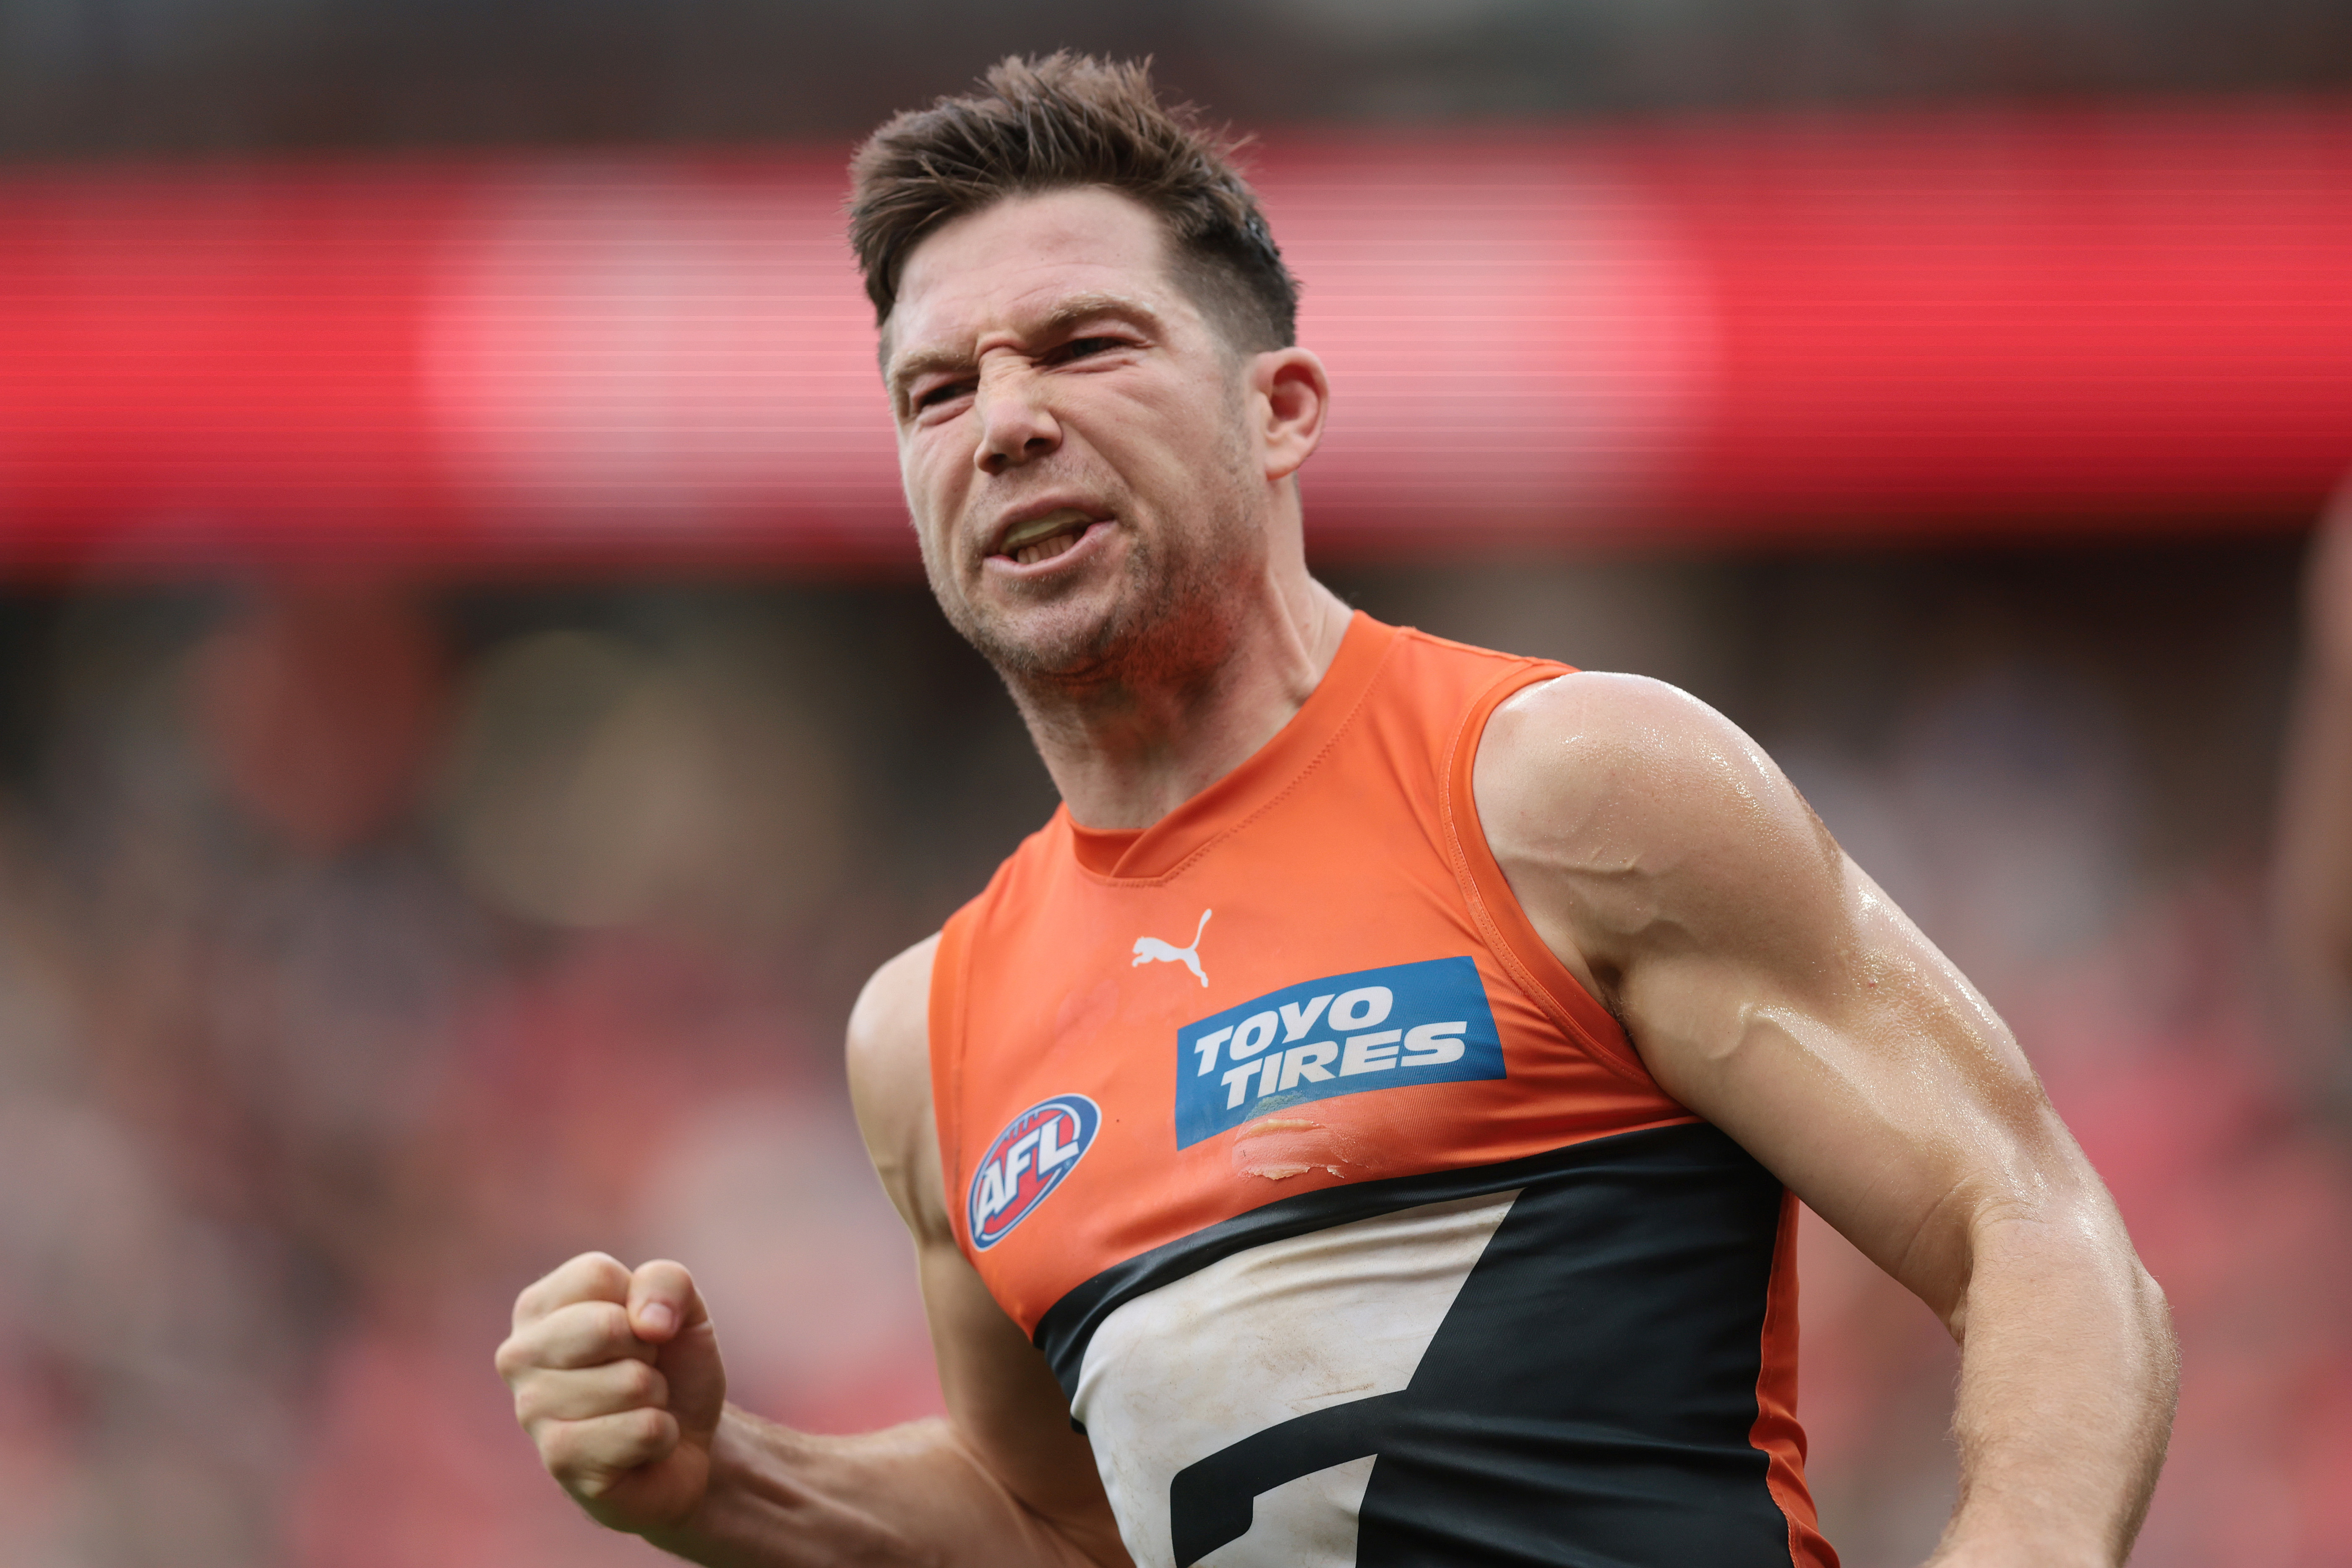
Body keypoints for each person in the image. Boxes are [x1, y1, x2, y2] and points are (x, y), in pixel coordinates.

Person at [495, 54, 2177, 1568]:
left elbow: (2034, 1235)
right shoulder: (924, 1035)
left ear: (1278, 409)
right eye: (938, 393)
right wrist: (721, 1482)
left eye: (1085, 346)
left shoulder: (1563, 786)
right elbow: (1063, 1529)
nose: (1007, 423)